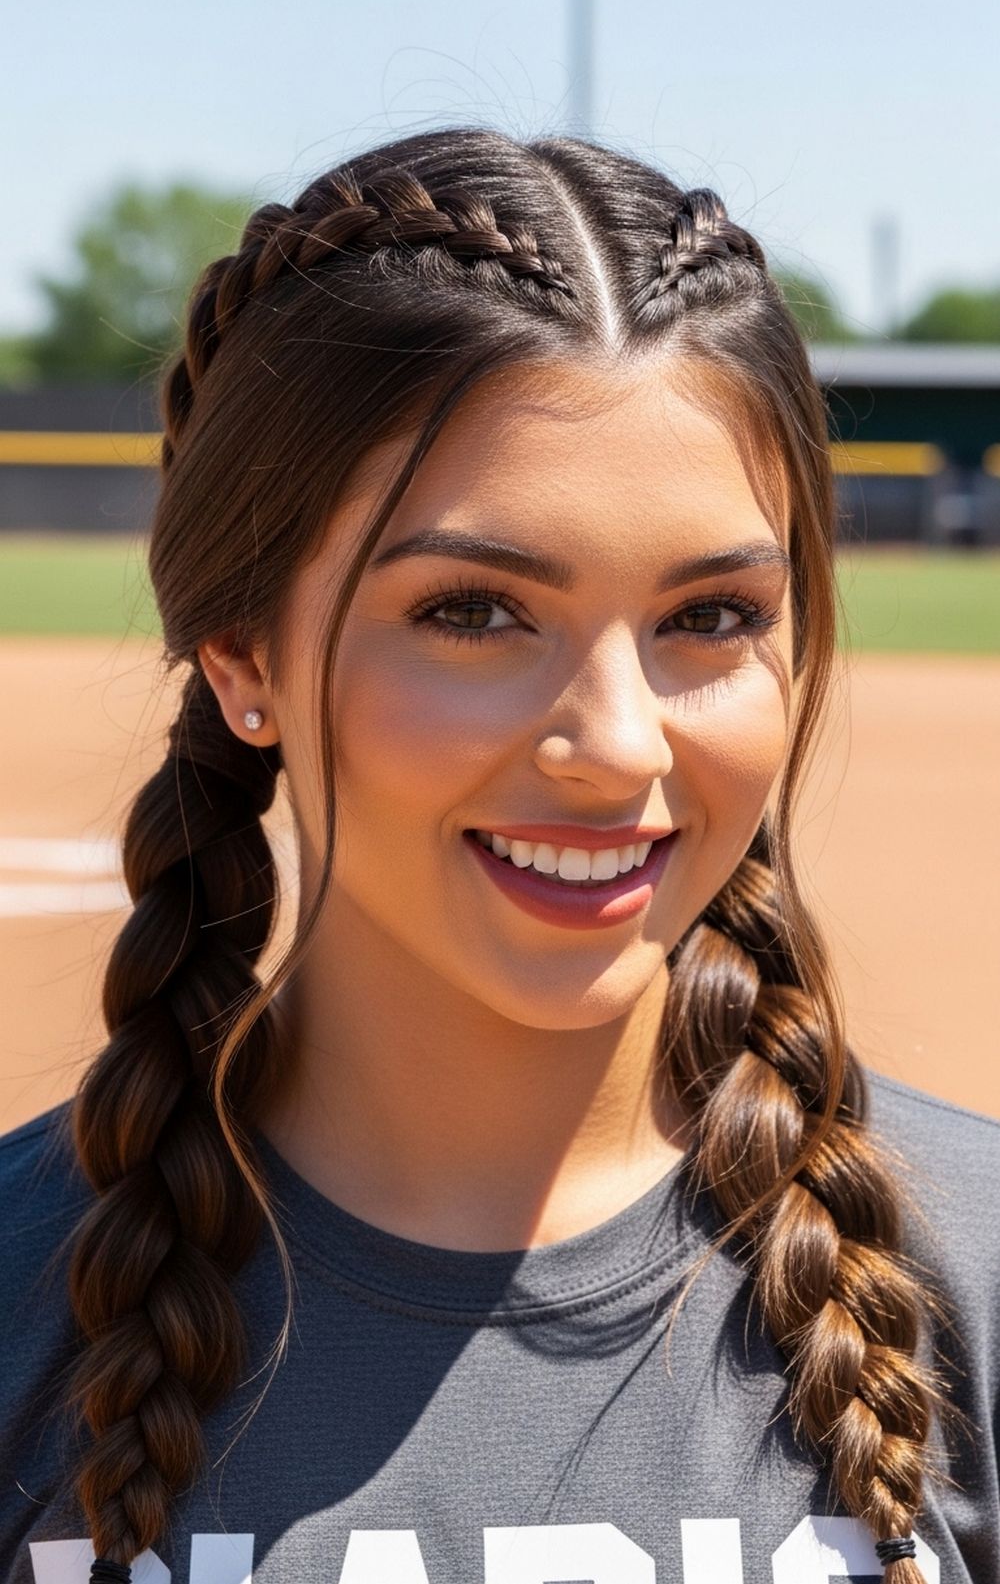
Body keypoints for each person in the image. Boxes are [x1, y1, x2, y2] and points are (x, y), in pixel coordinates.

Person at [1, 129, 997, 1584]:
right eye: (471, 612)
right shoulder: (28, 1299)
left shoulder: (969, 1270)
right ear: (241, 654)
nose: (619, 745)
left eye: (712, 616)